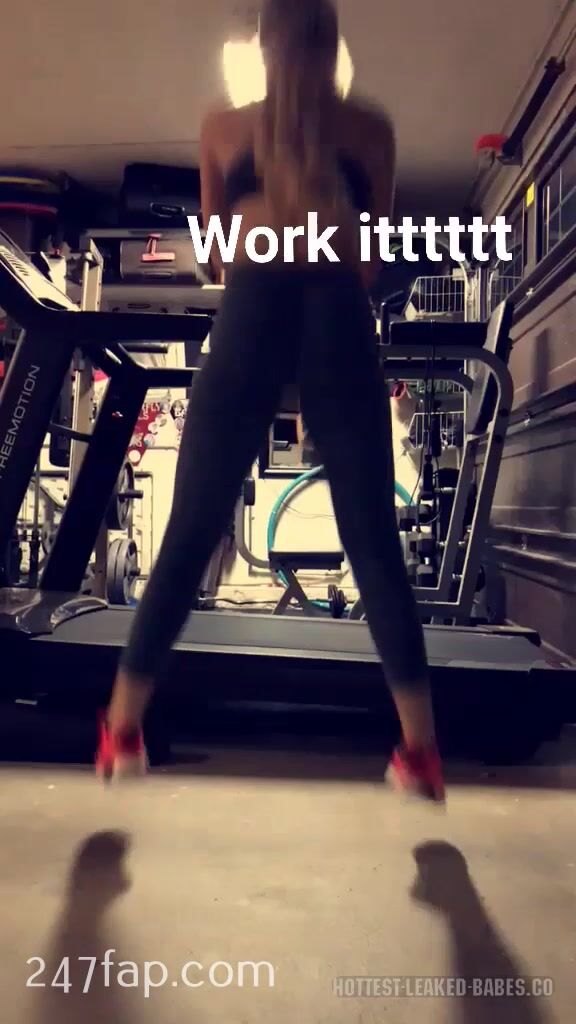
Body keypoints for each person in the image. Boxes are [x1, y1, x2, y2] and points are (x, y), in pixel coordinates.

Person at [97, 0, 445, 802]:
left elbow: (219, 253)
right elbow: (369, 258)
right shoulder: (371, 129)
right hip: (337, 308)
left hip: (253, 301)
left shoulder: (224, 127)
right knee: (373, 540)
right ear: (331, 45)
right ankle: (420, 751)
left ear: (264, 44)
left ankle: (121, 732)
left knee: (190, 531)